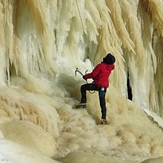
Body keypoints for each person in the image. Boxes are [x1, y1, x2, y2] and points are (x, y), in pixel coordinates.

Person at [77, 53, 115, 124]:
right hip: (103, 87)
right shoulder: (110, 67)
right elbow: (101, 75)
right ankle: (103, 119)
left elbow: (93, 74)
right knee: (102, 103)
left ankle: (83, 103)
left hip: (97, 85)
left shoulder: (101, 66)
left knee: (83, 87)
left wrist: (85, 76)